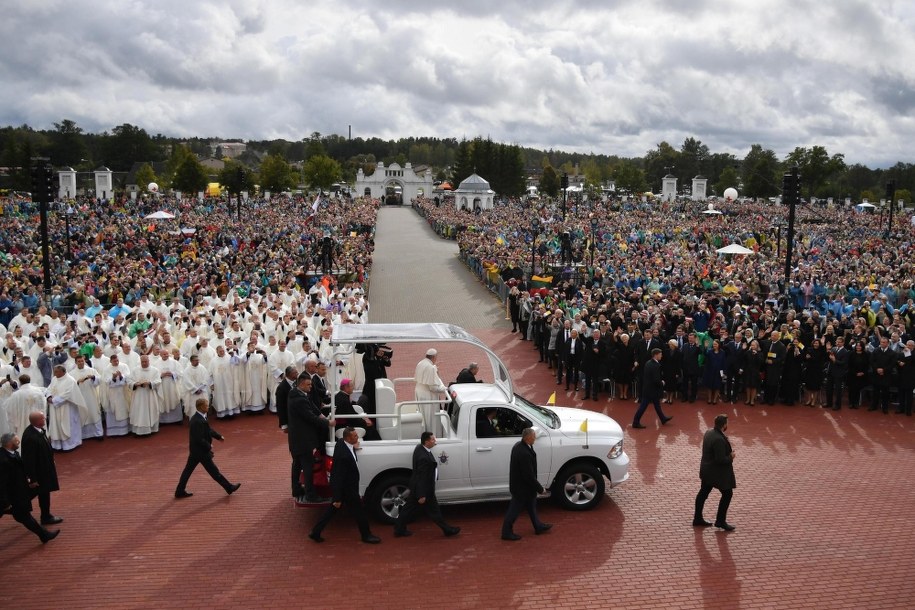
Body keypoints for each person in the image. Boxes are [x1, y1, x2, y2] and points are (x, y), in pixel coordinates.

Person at [308, 427, 380, 544]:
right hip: (347, 489)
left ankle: (316, 532)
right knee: (359, 512)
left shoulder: (341, 443)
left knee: (332, 511)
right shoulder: (344, 456)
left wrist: (354, 447)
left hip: (346, 489)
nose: (358, 438)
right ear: (348, 438)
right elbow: (338, 477)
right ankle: (366, 535)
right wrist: (337, 497)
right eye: (355, 436)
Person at [393, 431, 460, 538]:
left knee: (411, 509)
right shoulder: (423, 458)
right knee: (432, 511)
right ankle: (447, 530)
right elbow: (421, 477)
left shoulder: (420, 448)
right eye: (433, 439)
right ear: (426, 442)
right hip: (424, 489)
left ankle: (399, 528)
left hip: (420, 488)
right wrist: (421, 494)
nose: (435, 441)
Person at [174, 398, 241, 499]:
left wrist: (218, 436)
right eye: (206, 405)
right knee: (214, 471)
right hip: (201, 452)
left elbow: (208, 430)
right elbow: (198, 438)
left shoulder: (200, 417)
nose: (208, 407)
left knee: (187, 471)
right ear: (201, 407)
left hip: (195, 452)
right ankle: (229, 487)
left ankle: (179, 491)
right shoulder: (197, 421)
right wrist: (208, 445)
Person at [0, 432, 60, 543]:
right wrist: (5, 503)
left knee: (23, 516)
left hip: (17, 493)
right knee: (24, 516)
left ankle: (44, 535)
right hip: (12, 496)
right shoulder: (3, 460)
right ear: (9, 443)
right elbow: (1, 484)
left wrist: (28, 480)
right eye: (16, 441)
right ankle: (44, 535)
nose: (18, 442)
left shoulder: (13, 454)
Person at [287, 372, 332, 502]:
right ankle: (311, 494)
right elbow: (310, 417)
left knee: (296, 464)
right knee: (307, 467)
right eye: (308, 385)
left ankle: (296, 489)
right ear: (301, 384)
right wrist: (327, 422)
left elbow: (312, 408)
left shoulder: (295, 394)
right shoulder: (300, 399)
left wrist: (321, 415)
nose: (311, 387)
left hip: (295, 439)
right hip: (303, 440)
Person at [501, 427, 552, 541]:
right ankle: (506, 532)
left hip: (524, 488)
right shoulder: (524, 453)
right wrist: (540, 489)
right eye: (534, 436)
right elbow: (528, 475)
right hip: (522, 489)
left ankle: (538, 526)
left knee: (532, 507)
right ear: (528, 437)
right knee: (513, 511)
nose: (535, 438)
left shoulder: (520, 446)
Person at [693, 414, 737, 531]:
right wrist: (731, 457)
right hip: (716, 473)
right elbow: (720, 459)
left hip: (706, 470)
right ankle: (720, 521)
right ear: (724, 425)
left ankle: (697, 518)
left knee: (703, 493)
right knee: (727, 494)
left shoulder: (709, 432)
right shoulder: (718, 439)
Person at [20, 411, 63, 525]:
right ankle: (44, 516)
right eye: (43, 418)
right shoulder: (31, 437)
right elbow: (29, 459)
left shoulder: (37, 431)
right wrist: (32, 479)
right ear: (37, 421)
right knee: (37, 494)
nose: (45, 419)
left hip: (44, 470)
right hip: (40, 473)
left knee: (41, 493)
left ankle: (45, 515)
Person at [632, 348, 673, 429]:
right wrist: (662, 383)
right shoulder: (655, 365)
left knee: (657, 405)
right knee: (643, 406)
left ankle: (663, 418)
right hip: (651, 390)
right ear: (656, 355)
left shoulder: (648, 362)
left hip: (648, 389)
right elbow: (656, 380)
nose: (661, 356)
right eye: (660, 354)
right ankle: (635, 422)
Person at [414, 349, 448, 433]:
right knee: (430, 417)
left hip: (420, 392)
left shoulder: (421, 363)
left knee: (424, 415)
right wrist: (444, 389)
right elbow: (433, 388)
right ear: (433, 357)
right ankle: (432, 434)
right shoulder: (430, 367)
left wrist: (435, 369)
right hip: (428, 396)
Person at [824, 337, 849, 411]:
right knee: (828, 388)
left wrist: (835, 360)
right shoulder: (833, 349)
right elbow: (828, 358)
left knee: (838, 390)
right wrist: (827, 350)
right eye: (837, 342)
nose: (838, 343)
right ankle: (829, 403)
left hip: (839, 373)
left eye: (839, 342)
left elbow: (844, 363)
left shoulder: (845, 351)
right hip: (830, 372)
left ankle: (837, 405)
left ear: (843, 343)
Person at [275, 365, 297, 431]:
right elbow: (280, 407)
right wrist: (284, 424)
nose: (297, 374)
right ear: (290, 374)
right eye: (295, 373)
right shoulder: (281, 388)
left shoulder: (296, 382)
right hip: (289, 418)